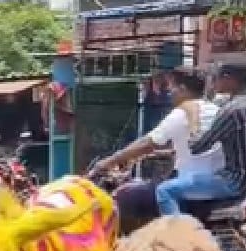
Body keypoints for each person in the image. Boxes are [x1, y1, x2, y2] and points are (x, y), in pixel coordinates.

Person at [94, 69, 225, 216]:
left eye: (171, 87)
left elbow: (148, 143)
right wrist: (162, 153)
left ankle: (173, 232)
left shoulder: (181, 113)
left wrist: (108, 162)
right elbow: (201, 144)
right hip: (216, 181)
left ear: (182, 89)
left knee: (126, 196)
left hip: (192, 185)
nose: (169, 92)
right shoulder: (216, 110)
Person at [172, 64, 246, 214]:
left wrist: (193, 121)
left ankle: (179, 234)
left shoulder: (233, 110)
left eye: (216, 79)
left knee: (166, 190)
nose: (214, 84)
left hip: (239, 181)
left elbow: (198, 147)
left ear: (228, 80)